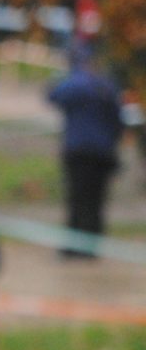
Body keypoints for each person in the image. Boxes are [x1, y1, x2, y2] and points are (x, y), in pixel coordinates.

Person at [46, 42, 125, 259]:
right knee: (96, 201)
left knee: (77, 200)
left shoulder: (75, 83)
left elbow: (52, 96)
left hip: (79, 151)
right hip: (102, 153)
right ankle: (90, 248)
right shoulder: (107, 85)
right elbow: (118, 119)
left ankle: (74, 247)